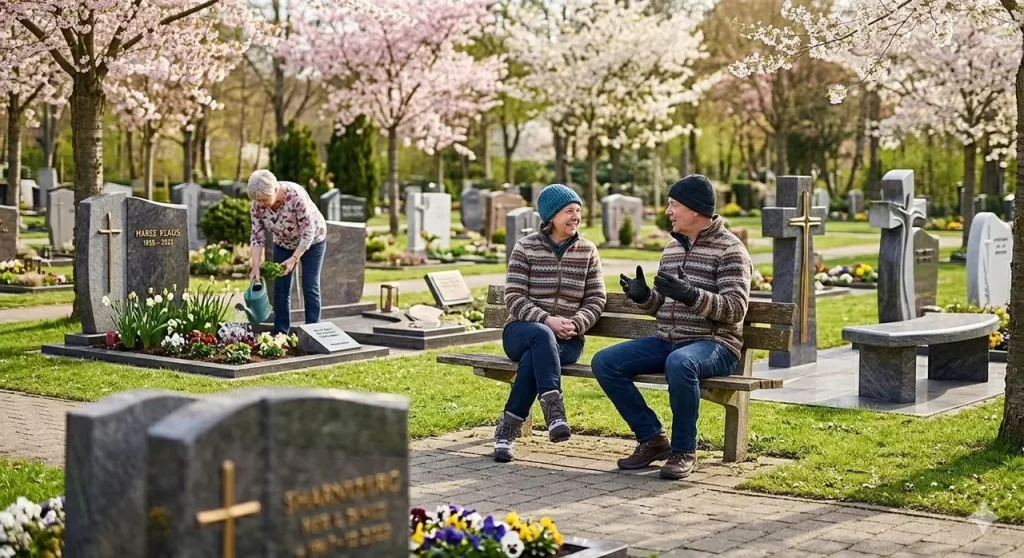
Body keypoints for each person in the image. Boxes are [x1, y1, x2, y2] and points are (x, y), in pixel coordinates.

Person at [591, 174, 751, 480]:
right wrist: (643, 297)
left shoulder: (731, 250)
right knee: (605, 362)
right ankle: (652, 438)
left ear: (694, 209)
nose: (668, 212)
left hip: (715, 344)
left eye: (673, 205)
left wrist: (691, 295)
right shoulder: (673, 248)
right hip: (668, 340)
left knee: (680, 363)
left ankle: (683, 450)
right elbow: (662, 304)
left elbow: (734, 310)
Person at [494, 184, 607, 463]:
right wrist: (546, 320)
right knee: (541, 336)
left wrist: (576, 323)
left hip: (568, 339)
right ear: (551, 215)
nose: (576, 216)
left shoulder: (587, 251)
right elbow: (514, 297)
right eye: (569, 211)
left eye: (578, 211)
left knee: (535, 358)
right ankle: (554, 412)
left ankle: (507, 429)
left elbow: (596, 298)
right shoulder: (526, 247)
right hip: (521, 332)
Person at [247, 170, 328, 334]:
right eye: (257, 200)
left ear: (275, 189)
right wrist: (255, 267)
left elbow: (308, 232)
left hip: (312, 241)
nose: (260, 204)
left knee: (309, 285)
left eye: (264, 199)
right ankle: (281, 333)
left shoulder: (295, 196)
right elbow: (257, 236)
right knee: (280, 288)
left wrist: (294, 259)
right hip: (283, 243)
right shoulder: (257, 206)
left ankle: (313, 332)